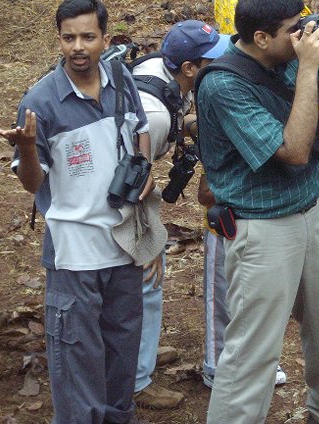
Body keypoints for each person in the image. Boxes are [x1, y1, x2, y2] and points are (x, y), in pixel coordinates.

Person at [197, 0, 319, 424]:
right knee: (253, 352)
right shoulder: (223, 85)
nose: (304, 35)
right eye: (293, 30)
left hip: (311, 212)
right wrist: (306, 71)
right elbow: (295, 151)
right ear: (261, 37)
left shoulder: (289, 57)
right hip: (262, 228)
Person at [204, 0, 319, 389]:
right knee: (251, 344)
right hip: (259, 197)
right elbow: (295, 150)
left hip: (293, 193)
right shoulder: (268, 23)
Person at [0, 0, 153, 423]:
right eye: (68, 38)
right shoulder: (41, 102)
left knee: (122, 353)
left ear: (105, 37)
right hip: (75, 252)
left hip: (124, 244)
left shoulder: (120, 76)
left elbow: (139, 131)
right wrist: (27, 148)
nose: (78, 47)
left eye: (88, 36)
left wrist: (144, 170)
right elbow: (33, 183)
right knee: (76, 360)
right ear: (59, 40)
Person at [131, 20, 229, 410]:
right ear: (189, 68)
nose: (221, 65)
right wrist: (148, 241)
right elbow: (133, 183)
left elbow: (177, 111)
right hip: (122, 197)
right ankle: (137, 380)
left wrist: (190, 125)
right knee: (146, 278)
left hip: (128, 180)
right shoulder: (153, 113)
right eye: (212, 60)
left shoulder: (159, 69)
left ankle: (138, 353)